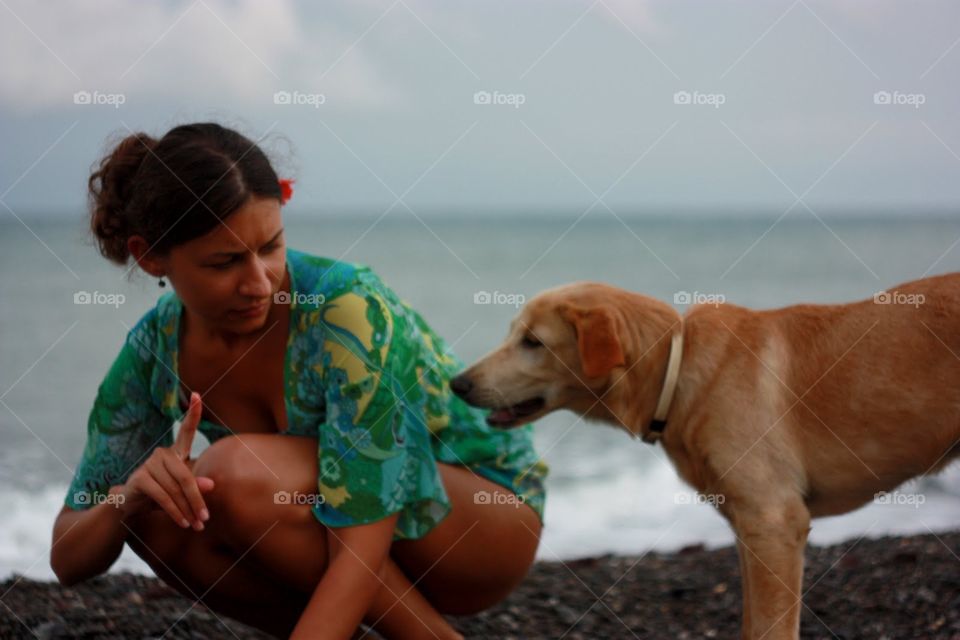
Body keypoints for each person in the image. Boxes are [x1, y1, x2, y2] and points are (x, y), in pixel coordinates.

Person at [49, 122, 548, 639]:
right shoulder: (155, 348)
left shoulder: (348, 311)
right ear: (151, 255)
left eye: (270, 247)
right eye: (225, 262)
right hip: (342, 538)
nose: (259, 283)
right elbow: (67, 554)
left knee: (231, 471)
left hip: (480, 523)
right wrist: (124, 499)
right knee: (159, 507)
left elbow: (362, 528)